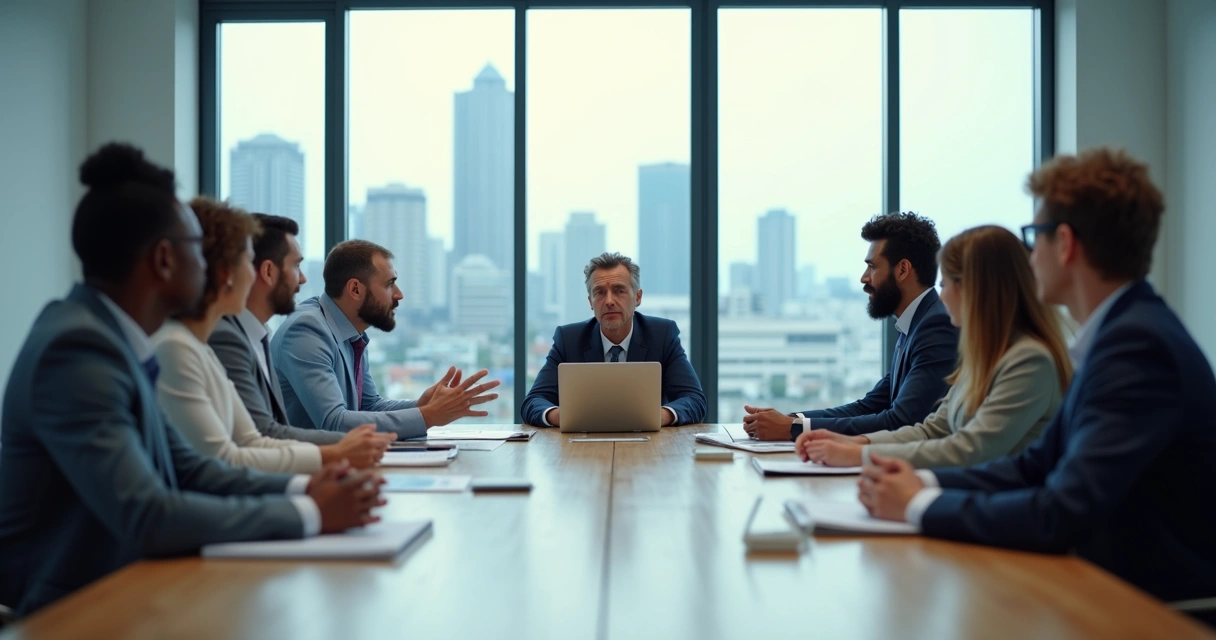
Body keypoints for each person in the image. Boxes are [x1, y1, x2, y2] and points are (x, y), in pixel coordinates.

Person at [0, 143, 383, 616]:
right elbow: (147, 512)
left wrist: (308, 490)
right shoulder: (78, 351)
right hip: (75, 607)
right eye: (195, 251)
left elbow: (192, 470)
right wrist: (309, 512)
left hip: (129, 584)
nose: (209, 267)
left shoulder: (116, 340)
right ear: (164, 260)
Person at [858, 148, 1216, 607]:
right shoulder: (1120, 334)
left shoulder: (1137, 348)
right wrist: (920, 483)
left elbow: (1061, 511)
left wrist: (917, 505)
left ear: (1064, 244)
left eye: (1035, 237)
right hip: (1105, 584)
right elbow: (1034, 466)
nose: (1028, 258)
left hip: (1152, 607)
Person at [796, 225, 1071, 468]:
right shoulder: (984, 357)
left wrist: (859, 455)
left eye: (945, 284)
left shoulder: (1029, 361)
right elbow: (932, 430)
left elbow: (970, 449)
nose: (941, 297)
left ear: (975, 290)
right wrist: (858, 444)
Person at [153, 198, 394, 472]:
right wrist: (338, 455)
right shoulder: (195, 343)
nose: (303, 279)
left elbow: (252, 440)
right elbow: (232, 457)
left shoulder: (231, 339)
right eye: (246, 262)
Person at [744, 212, 959, 441]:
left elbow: (902, 421)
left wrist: (793, 428)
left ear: (903, 270)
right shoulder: (915, 323)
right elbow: (869, 406)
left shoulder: (935, 325)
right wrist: (791, 420)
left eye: (872, 267)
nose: (864, 278)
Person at [272, 240, 500, 439]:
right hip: (299, 478)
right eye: (389, 284)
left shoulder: (352, 331)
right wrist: (428, 416)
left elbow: (368, 406)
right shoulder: (307, 330)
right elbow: (334, 423)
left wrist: (424, 405)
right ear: (355, 289)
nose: (399, 294)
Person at [522, 252, 706, 427]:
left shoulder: (662, 335)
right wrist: (560, 416)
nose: (609, 301)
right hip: (583, 449)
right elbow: (533, 401)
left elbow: (695, 400)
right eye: (600, 292)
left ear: (638, 297)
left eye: (619, 291)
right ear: (590, 302)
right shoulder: (569, 339)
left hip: (649, 447)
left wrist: (659, 416)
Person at [209, 213, 344, 445]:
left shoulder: (259, 336)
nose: (302, 279)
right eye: (296, 266)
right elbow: (264, 434)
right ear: (268, 271)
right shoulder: (226, 337)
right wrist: (351, 444)